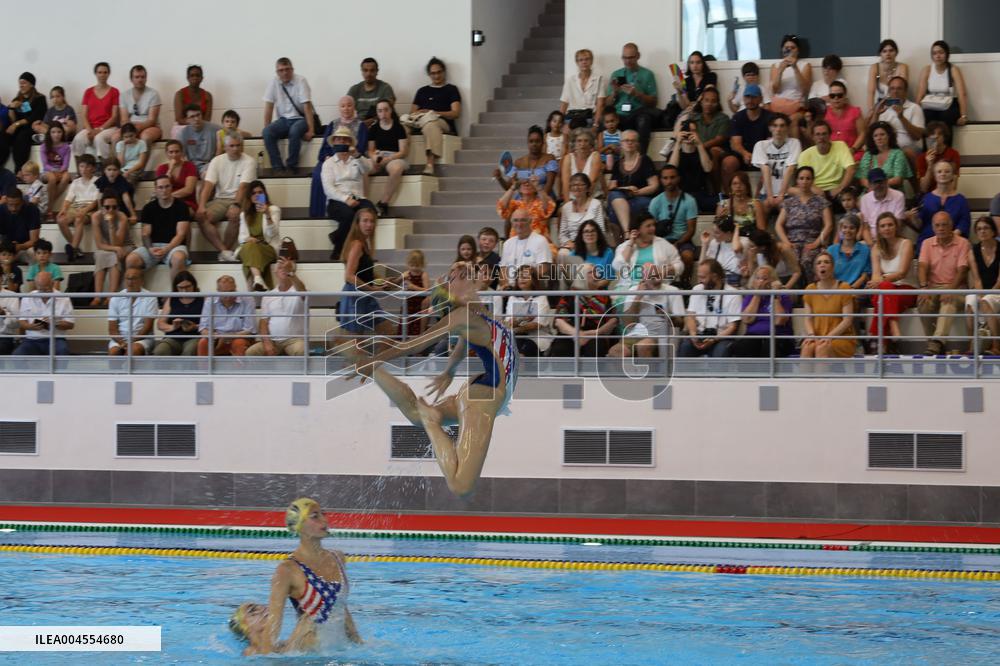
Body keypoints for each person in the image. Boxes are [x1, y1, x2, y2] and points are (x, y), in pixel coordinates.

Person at [342, 261, 517, 496]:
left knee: (416, 415)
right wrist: (377, 358)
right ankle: (431, 420)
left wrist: (449, 371)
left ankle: (375, 373)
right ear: (451, 294)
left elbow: (465, 342)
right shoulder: (462, 315)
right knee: (460, 485)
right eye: (453, 276)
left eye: (462, 273)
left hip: (480, 391)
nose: (458, 275)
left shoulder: (482, 314)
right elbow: (411, 345)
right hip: (484, 397)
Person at [232, 498, 360, 655]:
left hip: (340, 651)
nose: (324, 520)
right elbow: (271, 633)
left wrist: (359, 643)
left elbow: (340, 607)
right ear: (300, 526)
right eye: (314, 516)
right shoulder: (287, 570)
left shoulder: (338, 557)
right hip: (309, 656)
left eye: (322, 513)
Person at [197, 133, 257, 261]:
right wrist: (201, 206)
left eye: (238, 145)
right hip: (220, 200)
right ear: (225, 147)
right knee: (201, 216)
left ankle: (226, 252)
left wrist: (236, 204)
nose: (235, 149)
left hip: (241, 199)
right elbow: (208, 185)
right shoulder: (217, 161)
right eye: (232, 146)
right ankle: (225, 251)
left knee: (235, 215)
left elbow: (243, 187)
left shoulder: (249, 161)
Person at [917, 211, 970, 355]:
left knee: (948, 301)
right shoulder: (927, 243)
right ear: (933, 227)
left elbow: (962, 270)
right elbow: (922, 266)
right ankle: (933, 344)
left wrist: (951, 289)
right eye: (937, 225)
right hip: (933, 287)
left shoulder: (962, 243)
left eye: (944, 225)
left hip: (957, 288)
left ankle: (937, 342)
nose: (941, 228)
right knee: (922, 301)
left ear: (951, 226)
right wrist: (923, 287)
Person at [337, 208, 396, 336]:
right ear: (358, 224)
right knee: (357, 341)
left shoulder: (364, 244)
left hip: (364, 295)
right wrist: (371, 289)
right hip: (355, 295)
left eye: (372, 221)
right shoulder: (357, 244)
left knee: (389, 332)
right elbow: (349, 276)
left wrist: (382, 280)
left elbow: (366, 272)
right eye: (365, 221)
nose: (369, 225)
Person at [606, 262, 684, 359]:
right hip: (635, 334)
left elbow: (681, 323)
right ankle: (633, 374)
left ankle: (652, 374)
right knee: (615, 351)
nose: (658, 280)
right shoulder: (634, 291)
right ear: (644, 279)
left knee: (643, 346)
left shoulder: (673, 291)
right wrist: (638, 297)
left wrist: (667, 316)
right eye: (653, 277)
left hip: (659, 334)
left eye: (659, 275)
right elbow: (628, 323)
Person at [308, 96, 369, 219]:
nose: (346, 108)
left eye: (349, 105)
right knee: (317, 174)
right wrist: (326, 157)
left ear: (354, 107)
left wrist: (351, 153)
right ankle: (318, 213)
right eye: (343, 106)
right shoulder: (333, 124)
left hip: (351, 159)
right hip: (332, 159)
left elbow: (361, 148)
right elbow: (324, 147)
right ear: (339, 108)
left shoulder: (361, 125)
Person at [322, 126, 375, 261]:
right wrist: (346, 199)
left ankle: (337, 236)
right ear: (334, 143)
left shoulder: (356, 159)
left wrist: (357, 155)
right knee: (349, 216)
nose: (342, 143)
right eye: (339, 140)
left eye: (345, 140)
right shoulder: (328, 163)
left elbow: (368, 168)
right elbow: (328, 188)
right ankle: (338, 250)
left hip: (358, 197)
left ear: (350, 143)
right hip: (337, 200)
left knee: (371, 211)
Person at [867, 212, 916, 353]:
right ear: (878, 229)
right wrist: (880, 281)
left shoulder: (905, 243)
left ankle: (876, 341)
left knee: (882, 293)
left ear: (896, 227)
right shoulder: (876, 248)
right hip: (887, 292)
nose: (887, 228)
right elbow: (876, 276)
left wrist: (881, 281)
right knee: (884, 291)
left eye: (890, 225)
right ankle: (893, 329)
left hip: (907, 289)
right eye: (883, 226)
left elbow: (902, 273)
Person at [776, 166, 833, 284]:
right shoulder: (789, 202)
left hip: (812, 241)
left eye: (808, 178)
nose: (804, 181)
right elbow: (778, 225)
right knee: (794, 260)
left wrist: (817, 242)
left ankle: (811, 289)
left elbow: (829, 224)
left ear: (812, 181)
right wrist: (786, 242)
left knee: (807, 260)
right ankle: (796, 295)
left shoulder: (821, 201)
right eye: (801, 178)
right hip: (792, 242)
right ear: (797, 181)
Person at [127, 176, 191, 281]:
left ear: (171, 187)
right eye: (160, 187)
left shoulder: (182, 206)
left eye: (167, 187)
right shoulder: (148, 208)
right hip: (154, 247)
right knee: (131, 259)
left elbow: (181, 234)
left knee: (178, 258)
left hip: (175, 246)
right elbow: (145, 234)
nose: (164, 190)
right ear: (155, 189)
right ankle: (139, 296)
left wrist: (167, 249)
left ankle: (174, 296)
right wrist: (150, 248)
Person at [262, 58, 316, 175]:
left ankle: (291, 166)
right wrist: (266, 127)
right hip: (283, 120)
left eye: (287, 69)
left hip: (301, 119)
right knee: (267, 132)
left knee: (295, 131)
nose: (284, 73)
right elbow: (268, 106)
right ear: (277, 72)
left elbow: (307, 107)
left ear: (292, 70)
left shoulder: (301, 81)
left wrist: (311, 130)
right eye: (281, 70)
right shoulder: (274, 82)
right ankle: (278, 168)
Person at [551, 262, 617, 357]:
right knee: (560, 349)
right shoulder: (569, 296)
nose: (597, 275)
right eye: (591, 272)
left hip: (596, 335)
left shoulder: (604, 297)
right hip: (570, 333)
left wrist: (592, 333)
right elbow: (559, 320)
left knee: (596, 349)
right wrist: (577, 335)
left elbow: (613, 320)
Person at [678, 259, 741, 358]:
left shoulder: (733, 294)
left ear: (715, 277)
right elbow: (690, 317)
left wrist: (714, 339)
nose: (699, 281)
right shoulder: (697, 289)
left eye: (702, 277)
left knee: (721, 351)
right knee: (685, 346)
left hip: (721, 338)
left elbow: (732, 327)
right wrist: (693, 334)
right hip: (699, 334)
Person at [410, 57, 462, 175]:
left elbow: (456, 113)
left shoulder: (451, 89)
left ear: (443, 72)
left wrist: (434, 113)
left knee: (430, 124)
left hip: (442, 122)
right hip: (420, 120)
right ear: (429, 74)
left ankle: (429, 163)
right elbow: (412, 113)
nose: (436, 76)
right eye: (433, 73)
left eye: (439, 72)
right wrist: (421, 113)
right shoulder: (422, 91)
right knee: (402, 124)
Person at [245, 258, 307, 357]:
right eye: (280, 268)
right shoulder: (268, 295)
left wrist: (290, 272)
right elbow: (263, 322)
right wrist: (266, 343)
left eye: (286, 268)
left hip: (294, 340)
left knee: (301, 350)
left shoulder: (298, 290)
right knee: (251, 352)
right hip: (273, 341)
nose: (283, 269)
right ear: (275, 272)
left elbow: (303, 291)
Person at [611, 212, 684, 293]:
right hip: (629, 288)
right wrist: (631, 243)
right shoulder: (624, 246)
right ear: (638, 229)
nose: (653, 228)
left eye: (653, 225)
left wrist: (667, 270)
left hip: (657, 288)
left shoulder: (663, 244)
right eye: (648, 226)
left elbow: (679, 265)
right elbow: (617, 265)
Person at [731, 264, 794, 358]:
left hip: (778, 336)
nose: (761, 282)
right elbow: (747, 319)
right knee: (743, 346)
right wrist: (757, 295)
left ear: (773, 281)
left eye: (764, 278)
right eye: (758, 278)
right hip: (754, 336)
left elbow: (779, 321)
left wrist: (775, 295)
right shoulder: (750, 296)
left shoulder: (782, 296)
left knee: (769, 345)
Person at [801, 252, 856, 358]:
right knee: (807, 346)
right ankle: (804, 375)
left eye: (827, 262)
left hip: (840, 338)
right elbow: (808, 319)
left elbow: (847, 320)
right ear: (815, 269)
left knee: (822, 347)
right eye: (819, 263)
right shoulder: (810, 289)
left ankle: (821, 375)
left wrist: (829, 337)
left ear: (833, 267)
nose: (822, 265)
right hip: (818, 336)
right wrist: (811, 335)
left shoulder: (844, 287)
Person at [606, 43, 658, 154]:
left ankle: (641, 157)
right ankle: (608, 160)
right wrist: (615, 92)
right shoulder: (616, 74)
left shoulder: (647, 74)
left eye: (631, 57)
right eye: (625, 58)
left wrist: (636, 94)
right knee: (606, 121)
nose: (627, 61)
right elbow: (608, 104)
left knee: (644, 120)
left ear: (638, 56)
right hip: (619, 114)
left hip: (638, 112)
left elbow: (653, 102)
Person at [910, 160, 970, 250]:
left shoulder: (961, 200)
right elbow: (920, 225)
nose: (943, 174)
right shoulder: (926, 198)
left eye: (947, 171)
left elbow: (964, 223)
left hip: (953, 244)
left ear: (952, 176)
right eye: (939, 171)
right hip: (928, 244)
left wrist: (949, 238)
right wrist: (914, 218)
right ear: (934, 176)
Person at [648, 164, 697, 274]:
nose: (669, 181)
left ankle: (685, 284)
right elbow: (650, 227)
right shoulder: (655, 201)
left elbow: (691, 230)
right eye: (665, 178)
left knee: (687, 256)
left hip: (683, 241)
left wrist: (678, 244)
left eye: (672, 177)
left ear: (678, 178)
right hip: (661, 240)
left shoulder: (690, 200)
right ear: (661, 180)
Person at [607, 130, 658, 233]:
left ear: (637, 144)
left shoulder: (645, 160)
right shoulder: (618, 163)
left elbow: (654, 185)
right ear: (621, 144)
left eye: (632, 140)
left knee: (621, 208)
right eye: (626, 140)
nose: (629, 143)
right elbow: (611, 187)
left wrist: (637, 192)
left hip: (641, 197)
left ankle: (627, 235)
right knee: (614, 196)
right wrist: (626, 189)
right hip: (622, 198)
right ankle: (626, 233)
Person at [722, 84, 771, 189]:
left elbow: (770, 143)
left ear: (760, 99)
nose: (750, 100)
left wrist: (757, 157)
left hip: (763, 156)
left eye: (754, 97)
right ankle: (728, 198)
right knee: (728, 162)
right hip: (742, 155)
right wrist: (744, 153)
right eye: (747, 97)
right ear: (743, 99)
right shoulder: (738, 117)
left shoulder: (769, 117)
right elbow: (735, 143)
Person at [91, 188, 135, 305]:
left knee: (113, 255)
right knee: (101, 254)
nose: (111, 210)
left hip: (125, 245)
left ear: (118, 207)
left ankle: (111, 296)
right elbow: (99, 244)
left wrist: (110, 224)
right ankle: (97, 297)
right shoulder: (96, 217)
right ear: (102, 207)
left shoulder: (122, 217)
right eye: (107, 207)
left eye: (114, 207)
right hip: (107, 246)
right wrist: (115, 248)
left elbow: (119, 243)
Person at [752, 113, 801, 215]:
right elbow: (765, 169)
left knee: (785, 210)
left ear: (787, 128)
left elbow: (790, 169)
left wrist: (781, 195)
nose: (778, 129)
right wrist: (770, 196)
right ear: (770, 128)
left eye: (782, 125)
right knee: (761, 211)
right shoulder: (761, 145)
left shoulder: (794, 143)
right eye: (775, 125)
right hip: (766, 193)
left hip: (787, 193)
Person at [15, 272, 73, 356]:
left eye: (46, 288)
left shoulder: (64, 298)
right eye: (40, 289)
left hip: (55, 339)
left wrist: (55, 322)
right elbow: (22, 322)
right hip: (32, 340)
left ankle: (61, 370)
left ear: (52, 283)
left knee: (63, 351)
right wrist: (30, 326)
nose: (43, 292)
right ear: (36, 285)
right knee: (17, 355)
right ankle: (28, 370)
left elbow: (70, 325)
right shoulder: (27, 297)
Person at [367, 99, 409, 218]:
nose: (383, 114)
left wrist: (389, 158)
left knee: (396, 168)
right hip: (379, 156)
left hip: (395, 157)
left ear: (391, 111)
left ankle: (383, 202)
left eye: (386, 110)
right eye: (380, 111)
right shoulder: (373, 128)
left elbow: (403, 151)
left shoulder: (399, 128)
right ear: (377, 113)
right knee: (362, 167)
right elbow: (370, 150)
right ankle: (364, 202)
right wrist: (374, 157)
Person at [237, 180, 281, 291]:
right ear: (249, 197)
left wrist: (267, 214)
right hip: (251, 245)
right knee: (250, 247)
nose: (257, 195)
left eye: (260, 192)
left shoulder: (273, 210)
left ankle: (251, 292)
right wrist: (248, 238)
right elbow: (241, 237)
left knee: (248, 253)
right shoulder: (244, 214)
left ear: (264, 194)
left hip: (268, 247)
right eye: (253, 193)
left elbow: (272, 234)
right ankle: (258, 278)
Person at [197, 275, 256, 356]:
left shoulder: (247, 300)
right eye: (224, 293)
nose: (228, 296)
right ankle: (204, 369)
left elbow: (249, 330)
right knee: (203, 342)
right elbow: (203, 328)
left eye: (231, 291)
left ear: (235, 288)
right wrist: (216, 337)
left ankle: (240, 369)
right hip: (216, 338)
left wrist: (227, 337)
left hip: (239, 337)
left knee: (239, 343)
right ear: (218, 291)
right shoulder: (210, 301)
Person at [964, 216, 999, 352]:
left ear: (993, 231)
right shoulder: (973, 251)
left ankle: (996, 346)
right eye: (979, 229)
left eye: (986, 228)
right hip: (981, 289)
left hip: (998, 290)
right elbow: (976, 278)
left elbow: (999, 281)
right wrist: (980, 293)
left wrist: (987, 295)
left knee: (986, 301)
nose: (982, 232)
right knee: (969, 301)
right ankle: (972, 345)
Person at [72, 63, 120, 160]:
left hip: (108, 128)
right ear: (95, 74)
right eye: (100, 72)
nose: (102, 75)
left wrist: (99, 130)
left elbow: (114, 117)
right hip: (90, 128)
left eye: (105, 72)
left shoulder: (114, 91)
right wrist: (90, 131)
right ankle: (80, 170)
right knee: (78, 139)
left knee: (99, 138)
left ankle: (104, 168)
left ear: (109, 74)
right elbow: (84, 115)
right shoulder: (88, 92)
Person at [56, 154, 100, 262]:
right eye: (81, 166)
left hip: (90, 208)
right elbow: (68, 199)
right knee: (60, 219)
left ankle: (73, 248)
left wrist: (85, 210)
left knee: (79, 218)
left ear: (93, 168)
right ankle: (75, 249)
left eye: (87, 166)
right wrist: (63, 209)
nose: (84, 169)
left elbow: (95, 202)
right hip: (75, 207)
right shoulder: (75, 182)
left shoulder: (98, 181)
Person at [869, 76, 925, 160]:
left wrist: (901, 117)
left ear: (905, 92)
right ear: (888, 91)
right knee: (868, 150)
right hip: (885, 147)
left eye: (899, 89)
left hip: (907, 148)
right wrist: (876, 114)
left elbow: (917, 136)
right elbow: (870, 133)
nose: (895, 91)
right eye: (892, 88)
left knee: (906, 152)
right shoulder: (883, 108)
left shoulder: (914, 108)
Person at [494, 126, 559, 197]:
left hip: (544, 201)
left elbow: (549, 185)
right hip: (523, 202)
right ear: (527, 143)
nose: (534, 144)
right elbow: (508, 187)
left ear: (543, 143)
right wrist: (499, 177)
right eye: (531, 141)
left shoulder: (550, 159)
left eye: (537, 141)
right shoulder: (518, 162)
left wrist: (536, 205)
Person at [796, 120, 856, 198]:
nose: (821, 137)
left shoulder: (841, 146)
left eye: (824, 134)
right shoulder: (805, 155)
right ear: (813, 137)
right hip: (814, 191)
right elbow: (802, 179)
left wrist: (840, 188)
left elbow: (851, 169)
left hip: (837, 190)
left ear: (830, 135)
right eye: (817, 134)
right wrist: (814, 189)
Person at [916, 40, 969, 128]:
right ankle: (930, 141)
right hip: (931, 103)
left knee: (946, 117)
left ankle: (945, 142)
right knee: (926, 116)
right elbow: (920, 94)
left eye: (941, 52)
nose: (938, 56)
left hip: (950, 104)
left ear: (947, 54)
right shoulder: (927, 69)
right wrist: (915, 113)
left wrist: (964, 116)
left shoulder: (953, 69)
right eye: (934, 53)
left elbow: (962, 94)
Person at [1, 72, 47, 173]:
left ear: (31, 84)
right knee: (4, 136)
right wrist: (12, 109)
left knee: (22, 136)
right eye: (20, 83)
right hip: (18, 128)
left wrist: (16, 124)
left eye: (24, 83)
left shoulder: (40, 99)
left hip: (32, 128)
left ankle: (19, 170)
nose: (21, 85)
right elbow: (13, 120)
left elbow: (35, 117)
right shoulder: (17, 99)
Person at [504, 266, 554, 356]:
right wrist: (524, 319)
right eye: (519, 276)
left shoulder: (541, 298)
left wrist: (517, 323)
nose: (521, 279)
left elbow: (536, 325)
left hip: (536, 337)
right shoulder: (513, 297)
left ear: (533, 279)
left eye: (525, 276)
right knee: (512, 349)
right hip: (516, 335)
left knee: (522, 353)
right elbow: (509, 323)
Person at [107, 268, 158, 356]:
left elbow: (148, 327)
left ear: (142, 281)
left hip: (143, 339)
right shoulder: (116, 298)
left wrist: (131, 342)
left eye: (133, 278)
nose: (130, 282)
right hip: (120, 339)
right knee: (113, 352)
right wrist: (122, 342)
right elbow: (112, 329)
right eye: (127, 278)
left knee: (132, 351)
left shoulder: (150, 297)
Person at [499, 209, 553, 288]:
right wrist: (507, 287)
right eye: (516, 220)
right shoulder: (507, 243)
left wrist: (522, 285)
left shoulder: (540, 241)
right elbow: (503, 271)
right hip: (510, 290)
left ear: (530, 221)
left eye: (523, 220)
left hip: (532, 289)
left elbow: (543, 270)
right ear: (512, 223)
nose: (519, 224)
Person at [768, 35, 812, 134]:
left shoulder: (805, 65)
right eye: (786, 48)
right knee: (775, 123)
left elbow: (805, 90)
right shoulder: (775, 66)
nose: (789, 50)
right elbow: (775, 90)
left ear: (798, 50)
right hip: (778, 107)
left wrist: (795, 67)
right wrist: (780, 71)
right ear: (782, 50)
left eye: (793, 48)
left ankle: (794, 149)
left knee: (792, 121)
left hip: (796, 107)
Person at [153, 271, 202, 356]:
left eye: (188, 287)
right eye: (180, 288)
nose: (184, 291)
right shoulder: (171, 300)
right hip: (173, 337)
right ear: (176, 288)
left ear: (194, 285)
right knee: (160, 351)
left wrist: (194, 327)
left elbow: (210, 324)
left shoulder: (203, 299)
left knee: (189, 351)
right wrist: (173, 327)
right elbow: (160, 324)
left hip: (194, 337)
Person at [496, 175, 556, 243]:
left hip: (539, 241)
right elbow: (501, 206)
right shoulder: (514, 204)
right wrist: (513, 187)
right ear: (519, 189)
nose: (527, 184)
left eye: (530, 182)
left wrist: (537, 186)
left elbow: (549, 206)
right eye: (523, 183)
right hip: (517, 241)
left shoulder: (541, 202)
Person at [558, 173, 606, 255]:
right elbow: (562, 234)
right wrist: (571, 244)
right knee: (562, 254)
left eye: (581, 184)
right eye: (573, 185)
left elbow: (601, 230)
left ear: (588, 188)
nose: (577, 187)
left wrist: (586, 244)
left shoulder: (596, 204)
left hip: (591, 242)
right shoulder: (566, 207)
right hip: (573, 245)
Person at [856, 121, 913, 190]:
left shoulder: (898, 153)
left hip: (892, 192)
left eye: (882, 134)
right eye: (875, 136)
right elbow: (862, 179)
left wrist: (877, 186)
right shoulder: (868, 154)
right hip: (870, 192)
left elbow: (898, 179)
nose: (879, 138)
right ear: (872, 139)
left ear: (889, 136)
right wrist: (872, 187)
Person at [559, 48, 605, 130]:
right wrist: (561, 124)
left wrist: (596, 124)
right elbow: (564, 104)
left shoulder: (599, 79)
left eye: (587, 59)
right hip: (572, 118)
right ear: (577, 62)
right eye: (581, 60)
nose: (584, 62)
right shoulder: (570, 81)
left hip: (589, 118)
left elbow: (600, 105)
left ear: (591, 61)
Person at [116, 65, 161, 145]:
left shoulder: (153, 94)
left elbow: (152, 120)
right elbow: (124, 119)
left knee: (145, 137)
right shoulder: (124, 95)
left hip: (150, 127)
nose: (140, 80)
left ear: (146, 78)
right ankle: (117, 158)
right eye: (137, 77)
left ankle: (143, 158)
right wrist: (131, 129)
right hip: (129, 126)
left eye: (142, 77)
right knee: (115, 138)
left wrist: (138, 128)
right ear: (131, 79)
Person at [859, 168, 905, 244]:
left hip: (892, 237)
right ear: (870, 185)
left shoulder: (898, 196)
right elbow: (865, 228)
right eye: (875, 183)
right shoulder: (864, 199)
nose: (879, 185)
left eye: (881, 182)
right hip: (872, 240)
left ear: (886, 181)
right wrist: (872, 245)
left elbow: (898, 225)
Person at [828, 215, 871, 290]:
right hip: (835, 290)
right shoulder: (831, 250)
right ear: (841, 229)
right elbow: (828, 273)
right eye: (845, 227)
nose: (847, 230)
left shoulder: (865, 250)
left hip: (857, 291)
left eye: (852, 228)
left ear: (857, 230)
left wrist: (851, 289)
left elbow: (865, 275)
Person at [717, 171, 765, 238]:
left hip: (750, 240)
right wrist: (720, 218)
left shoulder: (756, 204)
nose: (738, 186)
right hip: (729, 239)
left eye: (741, 183)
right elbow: (717, 231)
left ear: (747, 187)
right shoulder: (723, 204)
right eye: (734, 184)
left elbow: (761, 229)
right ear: (730, 187)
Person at [560, 128, 604, 200]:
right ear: (574, 143)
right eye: (579, 141)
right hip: (572, 199)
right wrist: (567, 204)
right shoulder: (568, 158)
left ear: (591, 144)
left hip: (592, 198)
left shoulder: (595, 156)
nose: (582, 144)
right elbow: (565, 185)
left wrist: (583, 205)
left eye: (586, 141)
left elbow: (591, 183)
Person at [155, 140, 198, 213]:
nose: (174, 155)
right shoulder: (161, 168)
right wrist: (170, 169)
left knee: (176, 211)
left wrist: (168, 197)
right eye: (171, 152)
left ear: (181, 153)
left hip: (187, 202)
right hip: (166, 202)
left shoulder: (190, 166)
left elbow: (188, 190)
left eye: (177, 151)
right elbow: (161, 188)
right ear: (166, 154)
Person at [917, 121, 960, 194]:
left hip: (947, 193)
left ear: (944, 137)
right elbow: (923, 188)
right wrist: (930, 166)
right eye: (932, 134)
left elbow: (953, 185)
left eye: (939, 134)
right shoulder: (922, 157)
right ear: (928, 138)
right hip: (929, 195)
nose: (936, 136)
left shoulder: (953, 154)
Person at [348, 57, 396, 123]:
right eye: (365, 70)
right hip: (358, 125)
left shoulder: (386, 88)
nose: (368, 74)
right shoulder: (354, 89)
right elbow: (345, 110)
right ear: (362, 71)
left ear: (377, 71)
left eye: (372, 70)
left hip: (380, 124)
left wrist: (370, 121)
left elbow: (388, 111)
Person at [699, 217, 743, 286]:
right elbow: (702, 267)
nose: (713, 235)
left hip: (733, 282)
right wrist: (704, 244)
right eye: (713, 231)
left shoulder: (742, 242)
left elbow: (736, 249)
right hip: (717, 281)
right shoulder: (714, 243)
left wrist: (736, 229)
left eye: (717, 233)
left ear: (728, 233)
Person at [867, 39, 909, 111]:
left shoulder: (903, 67)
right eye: (884, 51)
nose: (888, 54)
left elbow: (903, 91)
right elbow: (870, 93)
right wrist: (871, 110)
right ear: (880, 54)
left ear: (896, 53)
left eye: (891, 50)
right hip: (881, 105)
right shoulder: (874, 68)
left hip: (898, 104)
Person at [823, 81, 864, 155]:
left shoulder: (855, 111)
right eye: (832, 96)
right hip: (831, 155)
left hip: (853, 153)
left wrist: (853, 149)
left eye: (839, 95)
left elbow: (862, 134)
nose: (836, 98)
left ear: (845, 96)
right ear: (829, 97)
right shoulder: (824, 113)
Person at [178, 105, 220, 176]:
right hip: (191, 165)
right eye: (192, 117)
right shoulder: (184, 132)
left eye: (198, 115)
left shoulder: (214, 129)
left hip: (208, 164)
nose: (196, 119)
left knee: (207, 174)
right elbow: (181, 155)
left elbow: (231, 132)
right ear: (187, 120)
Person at [0, 188, 40, 263]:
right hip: (5, 248)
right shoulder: (1, 210)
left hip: (25, 248)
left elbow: (34, 240)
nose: (14, 208)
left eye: (17, 205)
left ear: (22, 202)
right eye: (10, 205)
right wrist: (6, 247)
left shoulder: (32, 210)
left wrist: (20, 246)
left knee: (33, 253)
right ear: (6, 202)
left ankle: (33, 274)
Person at [171, 65, 213, 135]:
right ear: (188, 78)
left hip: (202, 127)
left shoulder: (208, 96)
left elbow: (207, 119)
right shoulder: (180, 94)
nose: (195, 78)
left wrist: (196, 124)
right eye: (192, 75)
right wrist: (195, 122)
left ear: (202, 78)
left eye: (197, 75)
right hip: (183, 128)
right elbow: (179, 119)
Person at [570, 219, 614, 284]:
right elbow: (570, 278)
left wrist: (594, 286)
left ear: (598, 234)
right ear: (581, 236)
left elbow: (608, 278)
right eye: (586, 231)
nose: (590, 234)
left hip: (599, 291)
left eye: (593, 231)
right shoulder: (574, 254)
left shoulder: (608, 253)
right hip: (579, 290)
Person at [40, 122, 72, 208]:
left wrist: (60, 172)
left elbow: (66, 165)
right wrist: (55, 171)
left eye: (59, 132)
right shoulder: (44, 146)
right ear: (49, 133)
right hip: (48, 171)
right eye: (53, 132)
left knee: (67, 177)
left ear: (62, 133)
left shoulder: (66, 147)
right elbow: (45, 165)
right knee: (52, 178)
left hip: (61, 170)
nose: (56, 135)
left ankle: (49, 203)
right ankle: (50, 207)